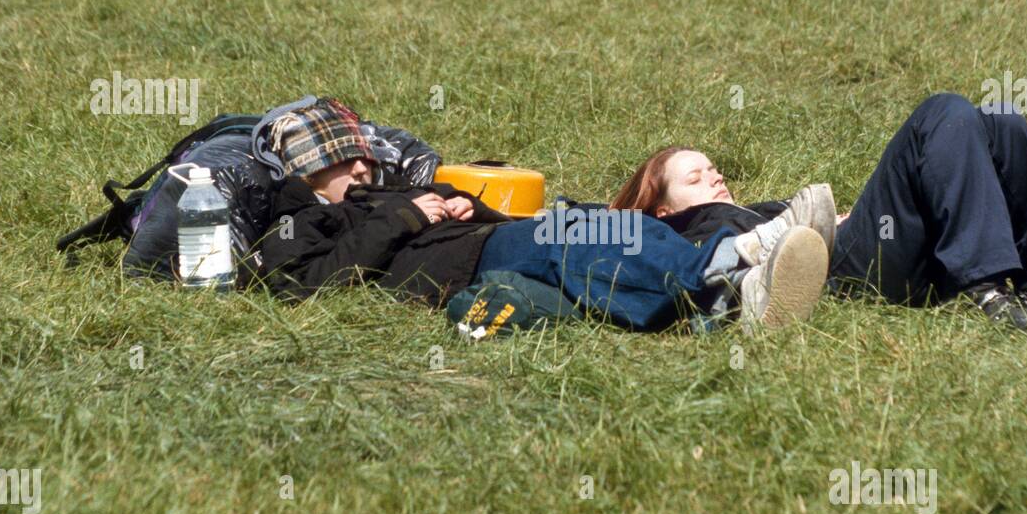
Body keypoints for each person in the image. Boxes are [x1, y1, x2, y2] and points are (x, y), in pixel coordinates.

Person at [256, 99, 832, 333]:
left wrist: (462, 205)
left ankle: (729, 296)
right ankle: (734, 262)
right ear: (304, 173)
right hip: (472, 260)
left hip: (483, 244)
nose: (360, 168)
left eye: (361, 155)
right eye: (339, 162)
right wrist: (405, 217)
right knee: (588, 234)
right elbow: (302, 284)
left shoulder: (378, 195)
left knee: (611, 245)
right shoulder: (299, 220)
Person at [610, 92, 1027, 330]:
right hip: (848, 272)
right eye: (694, 178)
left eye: (712, 166)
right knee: (941, 113)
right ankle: (984, 287)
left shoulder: (747, 209)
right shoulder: (680, 238)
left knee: (999, 116)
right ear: (660, 209)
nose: (713, 176)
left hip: (875, 246)